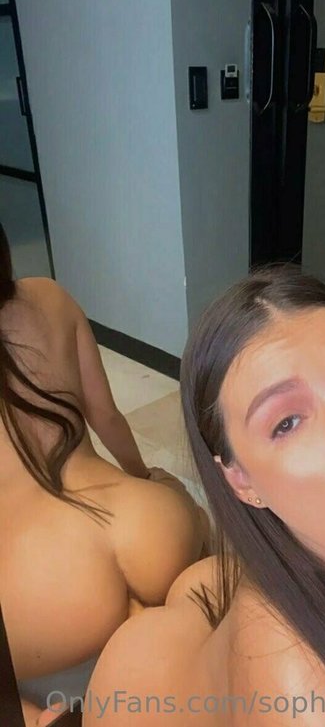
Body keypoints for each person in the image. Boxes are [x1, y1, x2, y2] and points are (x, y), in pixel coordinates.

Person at [77, 266, 325, 727]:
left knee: (198, 586)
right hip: (139, 699)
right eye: (287, 423)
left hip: (201, 612)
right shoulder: (307, 700)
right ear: (242, 480)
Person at [0, 223, 206, 713]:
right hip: (141, 522)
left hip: (44, 587)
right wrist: (145, 476)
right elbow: (107, 416)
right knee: (187, 508)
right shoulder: (49, 296)